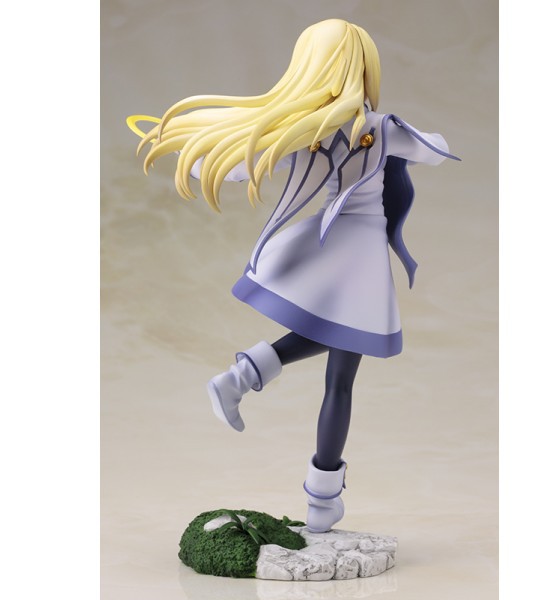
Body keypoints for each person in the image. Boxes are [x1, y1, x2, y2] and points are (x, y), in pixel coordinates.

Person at [128, 18, 459, 533]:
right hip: (361, 256)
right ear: (362, 67)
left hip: (327, 245)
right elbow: (435, 149)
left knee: (336, 345)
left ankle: (241, 378)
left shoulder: (308, 131)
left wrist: (197, 156)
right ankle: (321, 500)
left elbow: (241, 165)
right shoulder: (382, 128)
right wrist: (403, 135)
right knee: (341, 380)